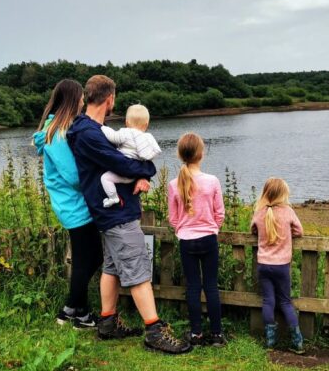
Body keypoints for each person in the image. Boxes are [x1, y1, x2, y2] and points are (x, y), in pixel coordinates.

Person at [67, 74, 191, 354]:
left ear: (89, 97)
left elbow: (123, 162)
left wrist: (138, 171)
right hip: (117, 214)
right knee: (138, 269)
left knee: (111, 267)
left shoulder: (93, 130)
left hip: (111, 211)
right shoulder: (89, 133)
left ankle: (108, 322)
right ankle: (154, 330)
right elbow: (121, 163)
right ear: (110, 99)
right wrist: (147, 171)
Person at [32, 79, 100, 329]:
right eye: (81, 97)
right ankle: (73, 312)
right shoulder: (56, 135)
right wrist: (97, 177)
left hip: (75, 204)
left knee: (91, 257)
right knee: (88, 258)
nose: (83, 101)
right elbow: (72, 176)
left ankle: (75, 310)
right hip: (73, 205)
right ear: (73, 99)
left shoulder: (60, 129)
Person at [167, 133, 226, 347]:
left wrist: (183, 228)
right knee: (211, 286)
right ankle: (217, 334)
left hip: (187, 241)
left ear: (181, 155)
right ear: (201, 154)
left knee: (193, 287)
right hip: (209, 238)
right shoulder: (212, 181)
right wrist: (212, 227)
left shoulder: (174, 184)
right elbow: (220, 213)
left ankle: (196, 334)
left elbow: (173, 218)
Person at [251, 177, 305, 354]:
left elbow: (253, 229)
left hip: (264, 265)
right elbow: (299, 231)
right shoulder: (287, 212)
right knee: (285, 302)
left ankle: (270, 341)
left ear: (265, 193)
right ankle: (297, 341)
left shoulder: (260, 213)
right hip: (282, 265)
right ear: (283, 194)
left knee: (268, 301)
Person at [100, 104, 162, 208]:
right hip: (134, 176)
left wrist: (102, 127)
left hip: (123, 172)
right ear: (146, 124)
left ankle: (113, 197)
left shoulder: (126, 133)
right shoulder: (147, 138)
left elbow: (113, 137)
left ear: (126, 122)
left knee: (105, 178)